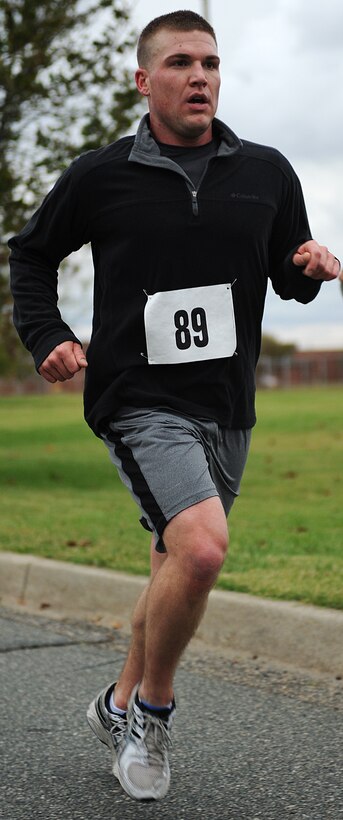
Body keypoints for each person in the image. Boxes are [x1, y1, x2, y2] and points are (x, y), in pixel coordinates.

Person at [9, 9, 340, 803]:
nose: (200, 76)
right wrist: (47, 333)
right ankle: (150, 716)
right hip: (137, 398)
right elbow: (31, 254)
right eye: (181, 62)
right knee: (201, 550)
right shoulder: (100, 176)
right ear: (143, 80)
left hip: (226, 403)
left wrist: (307, 268)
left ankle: (117, 700)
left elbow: (282, 269)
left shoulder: (266, 171)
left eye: (210, 63)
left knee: (174, 561)